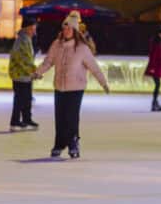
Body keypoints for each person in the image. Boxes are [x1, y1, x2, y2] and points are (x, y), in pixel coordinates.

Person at [33, 11, 110, 159]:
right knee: (60, 117)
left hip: (76, 88)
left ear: (74, 30)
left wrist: (103, 83)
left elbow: (94, 67)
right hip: (59, 87)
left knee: (71, 117)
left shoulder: (82, 48)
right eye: (64, 28)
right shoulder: (56, 45)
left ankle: (73, 142)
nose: (66, 31)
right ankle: (59, 144)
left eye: (69, 28)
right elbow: (48, 62)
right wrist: (38, 72)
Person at [8, 17, 39, 131]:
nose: (34, 32)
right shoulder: (22, 40)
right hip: (20, 75)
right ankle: (15, 122)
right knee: (20, 99)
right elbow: (23, 60)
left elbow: (28, 59)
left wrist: (32, 71)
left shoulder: (26, 39)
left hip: (24, 75)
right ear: (27, 28)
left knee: (26, 99)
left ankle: (26, 119)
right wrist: (34, 71)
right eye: (32, 29)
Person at [145, 27, 161, 112]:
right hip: (156, 67)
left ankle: (155, 103)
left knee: (158, 85)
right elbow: (153, 56)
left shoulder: (159, 42)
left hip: (157, 66)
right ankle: (154, 103)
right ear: (160, 34)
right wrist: (152, 68)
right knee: (157, 85)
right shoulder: (156, 43)